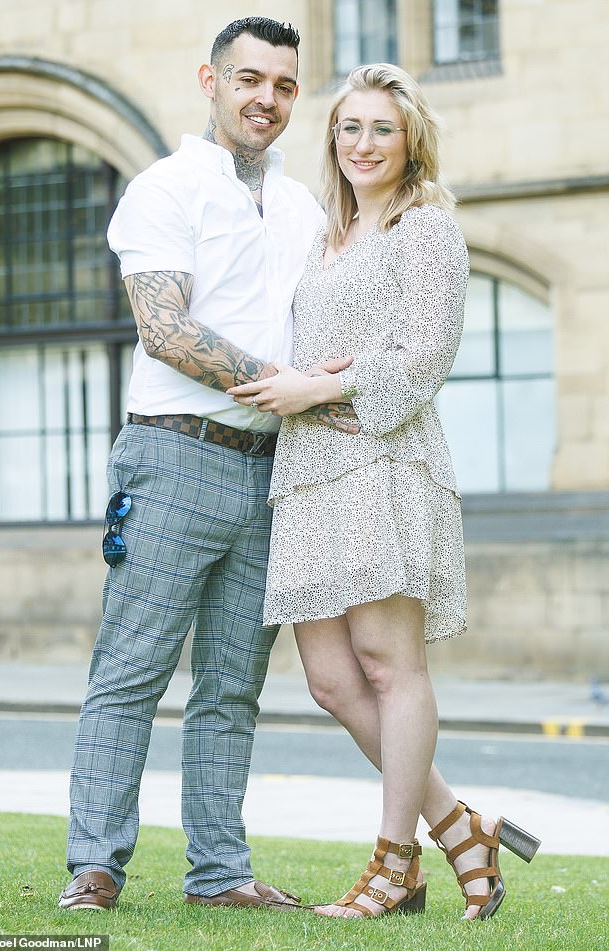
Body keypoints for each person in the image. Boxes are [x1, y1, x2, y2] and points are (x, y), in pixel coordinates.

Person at [58, 16, 358, 913]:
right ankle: (95, 866)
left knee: (232, 686)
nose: (266, 98)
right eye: (248, 79)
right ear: (210, 80)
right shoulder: (165, 188)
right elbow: (164, 328)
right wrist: (292, 386)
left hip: (271, 472)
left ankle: (220, 874)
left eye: (284, 84)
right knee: (131, 670)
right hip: (173, 455)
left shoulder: (304, 207)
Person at [228, 63, 541, 920]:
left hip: (383, 460)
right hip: (307, 473)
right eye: (349, 127)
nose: (362, 144)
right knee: (331, 680)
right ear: (333, 138)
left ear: (411, 143)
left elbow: (429, 353)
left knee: (389, 664)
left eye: (382, 129)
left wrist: (321, 386)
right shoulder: (323, 235)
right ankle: (461, 826)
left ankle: (395, 862)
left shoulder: (425, 227)